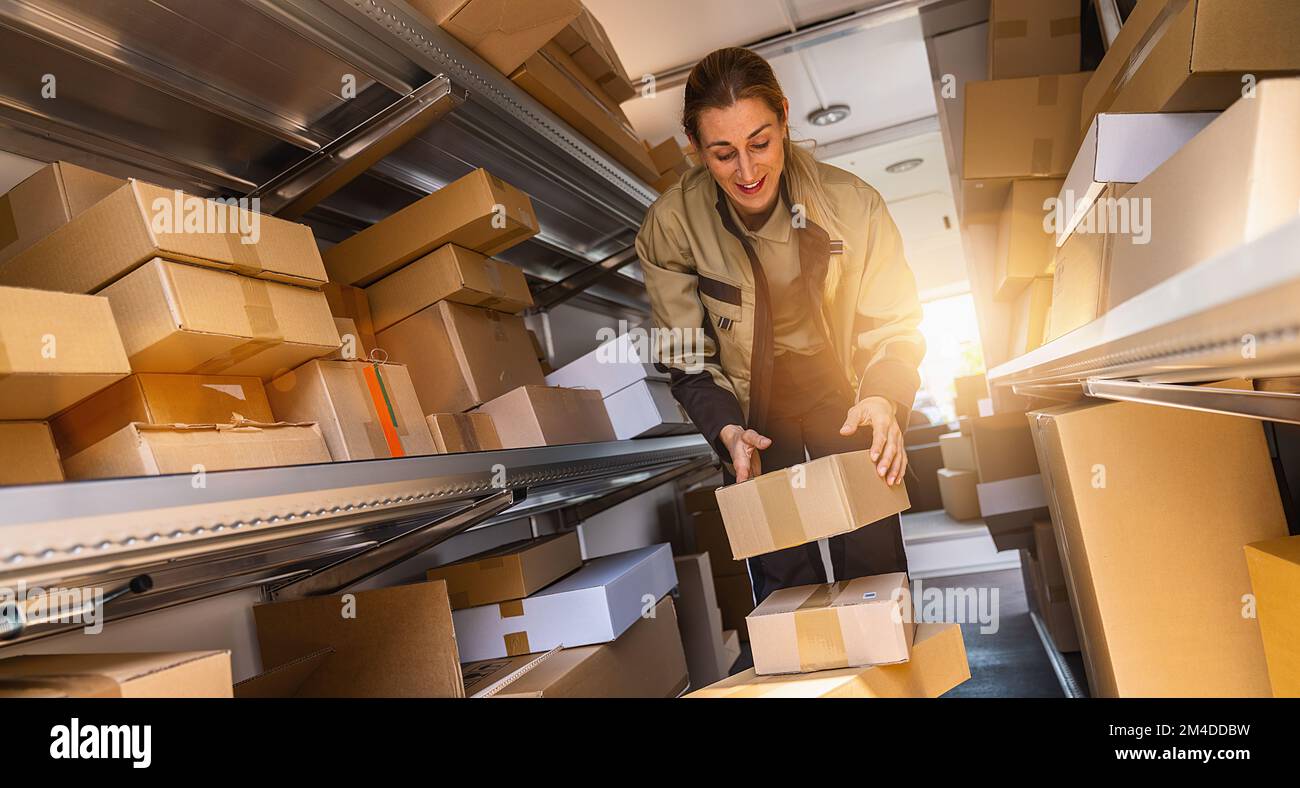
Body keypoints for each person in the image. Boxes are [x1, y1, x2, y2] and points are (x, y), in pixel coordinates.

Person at [636, 47, 926, 604]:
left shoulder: (854, 206)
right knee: (785, 586)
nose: (747, 172)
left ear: (785, 117)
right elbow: (686, 357)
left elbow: (896, 326)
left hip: (843, 399)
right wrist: (727, 431)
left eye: (760, 143)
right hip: (752, 413)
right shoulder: (669, 227)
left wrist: (885, 398)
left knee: (874, 574)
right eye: (722, 154)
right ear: (694, 148)